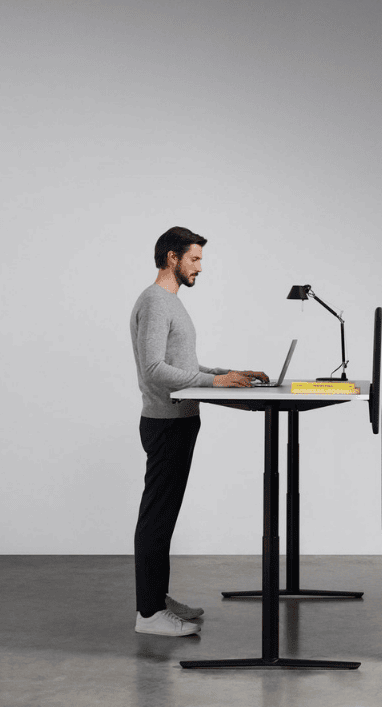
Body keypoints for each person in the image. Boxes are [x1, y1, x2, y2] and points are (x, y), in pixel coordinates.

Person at [129, 226, 268, 637]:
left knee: (164, 517)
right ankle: (148, 614)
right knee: (156, 518)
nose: (200, 267)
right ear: (172, 258)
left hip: (180, 421)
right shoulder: (156, 302)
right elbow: (154, 369)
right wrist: (216, 382)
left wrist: (229, 373)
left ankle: (156, 598)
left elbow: (184, 365)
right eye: (194, 259)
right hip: (165, 422)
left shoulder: (169, 302)